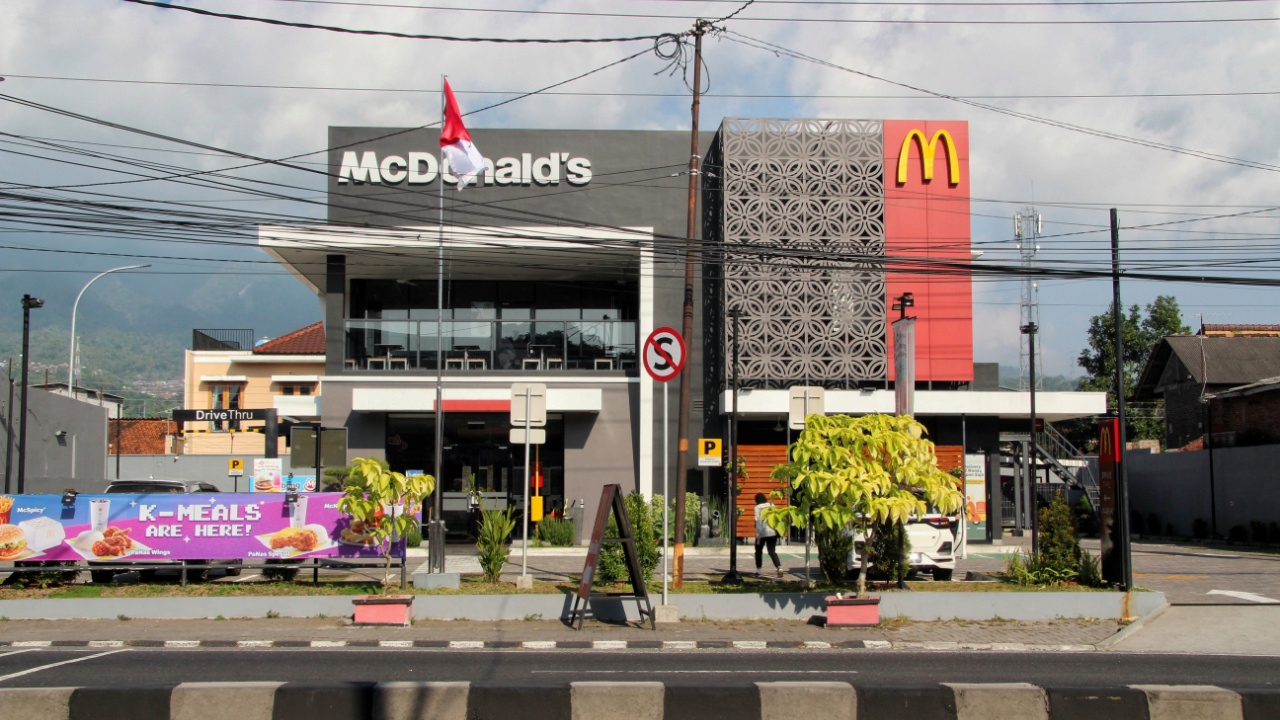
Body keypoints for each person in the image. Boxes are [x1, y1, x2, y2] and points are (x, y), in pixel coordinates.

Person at [753, 492, 783, 578]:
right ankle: (779, 567)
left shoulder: (757, 508)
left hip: (762, 533)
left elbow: (758, 521)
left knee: (758, 551)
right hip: (773, 532)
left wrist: (758, 533)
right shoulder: (772, 505)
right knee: (772, 551)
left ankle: (759, 571)